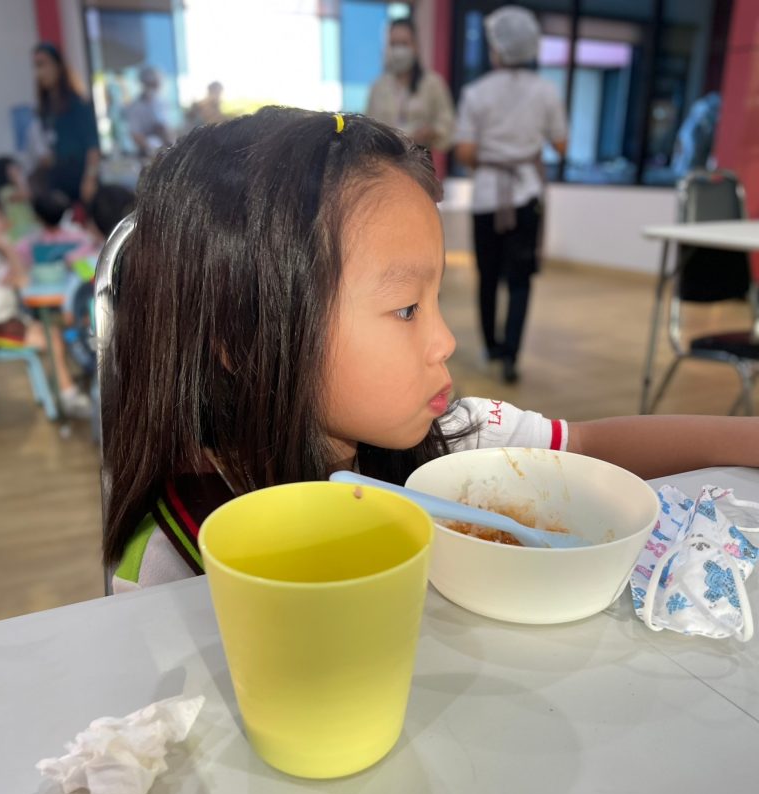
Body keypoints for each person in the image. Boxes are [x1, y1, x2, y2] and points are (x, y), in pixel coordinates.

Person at [102, 107, 759, 591]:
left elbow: (584, 447)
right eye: (406, 309)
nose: (445, 341)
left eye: (437, 298)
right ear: (242, 338)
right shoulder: (175, 554)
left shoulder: (450, 442)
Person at [454, 5, 568, 383]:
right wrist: (526, 145)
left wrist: (491, 154)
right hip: (527, 195)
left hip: (488, 196)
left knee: (487, 276)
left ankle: (491, 345)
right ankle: (512, 357)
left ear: (497, 49)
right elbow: (562, 144)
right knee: (520, 280)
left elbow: (465, 152)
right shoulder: (546, 91)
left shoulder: (475, 93)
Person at [0, 191, 90, 418]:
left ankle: (65, 389)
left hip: (10, 320)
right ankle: (67, 394)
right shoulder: (4, 252)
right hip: (0, 326)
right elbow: (23, 280)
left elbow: (20, 278)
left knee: (54, 332)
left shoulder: (17, 246)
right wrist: (6, 248)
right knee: (52, 336)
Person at [366, 18, 455, 152]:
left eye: (404, 43)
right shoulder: (378, 86)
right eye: (394, 44)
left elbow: (448, 129)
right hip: (385, 159)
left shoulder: (433, 84)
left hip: (419, 159)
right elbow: (367, 130)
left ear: (415, 46)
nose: (399, 50)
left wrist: (430, 132)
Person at [28, 43, 100, 206]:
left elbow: (93, 147)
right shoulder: (45, 109)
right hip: (57, 181)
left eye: (43, 64)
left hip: (80, 179)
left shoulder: (78, 103)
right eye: (36, 66)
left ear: (58, 65)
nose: (40, 72)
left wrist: (90, 179)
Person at [124, 67, 171, 158]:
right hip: (146, 154)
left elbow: (165, 128)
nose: (155, 88)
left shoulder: (162, 103)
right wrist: (151, 146)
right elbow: (135, 135)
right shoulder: (135, 107)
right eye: (152, 84)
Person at [0, 156, 37, 241]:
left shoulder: (14, 188)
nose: (16, 170)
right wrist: (17, 177)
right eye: (12, 169)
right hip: (17, 229)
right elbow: (25, 195)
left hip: (26, 227)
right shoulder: (5, 191)